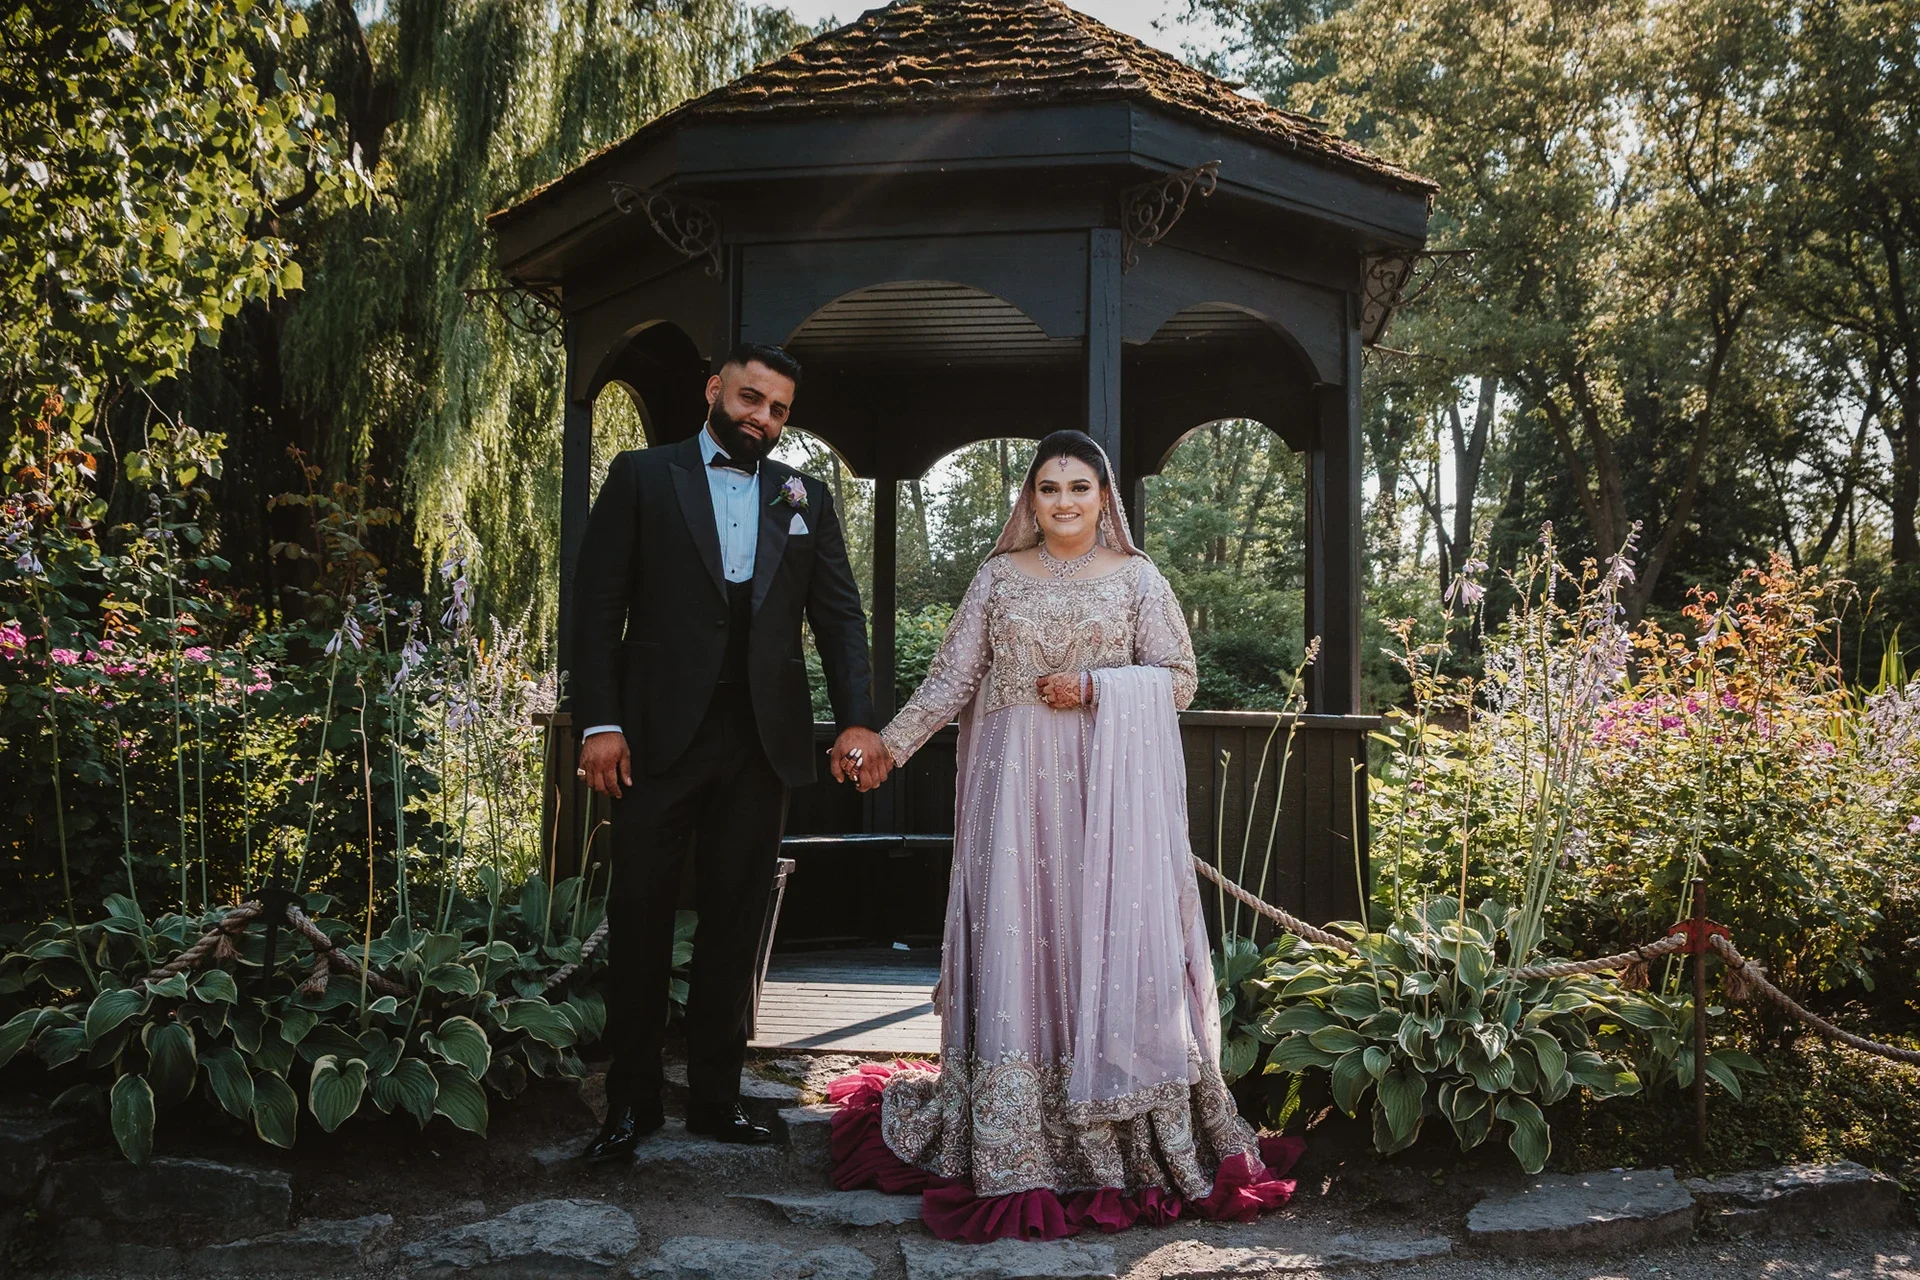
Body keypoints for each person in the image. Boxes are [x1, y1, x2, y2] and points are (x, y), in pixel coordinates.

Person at [827, 430, 1299, 1241]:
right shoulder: (997, 579)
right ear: (1030, 500)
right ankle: (1015, 1139)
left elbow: (1178, 679)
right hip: (1011, 796)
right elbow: (950, 680)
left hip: (1107, 798)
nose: (1064, 502)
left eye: (1079, 487)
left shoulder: (1141, 579)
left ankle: (1116, 1131)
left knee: (1097, 937)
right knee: (1023, 937)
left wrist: (1094, 688)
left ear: (1105, 496)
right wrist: (890, 745)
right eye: (1049, 489)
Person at [571, 342, 890, 1159]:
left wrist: (859, 720)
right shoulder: (642, 476)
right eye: (751, 399)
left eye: (779, 410)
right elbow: (597, 607)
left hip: (762, 741)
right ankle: (631, 1105)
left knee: (735, 922)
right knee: (638, 916)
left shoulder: (805, 495)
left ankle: (716, 1099)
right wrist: (599, 722)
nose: (763, 419)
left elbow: (840, 619)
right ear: (715, 390)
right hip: (653, 739)